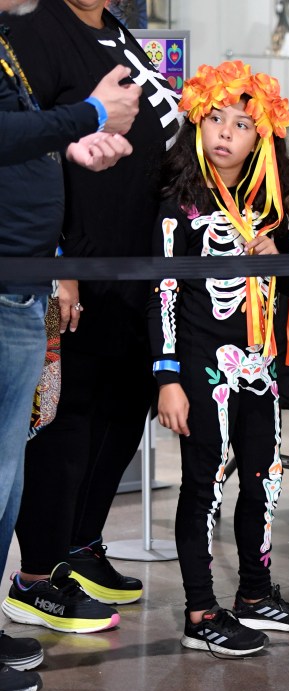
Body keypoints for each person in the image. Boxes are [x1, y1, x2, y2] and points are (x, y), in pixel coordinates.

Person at [1, 0, 183, 634]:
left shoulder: (114, 29)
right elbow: (31, 143)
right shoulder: (35, 29)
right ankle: (41, 570)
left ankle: (80, 548)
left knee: (122, 409)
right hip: (78, 259)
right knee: (68, 419)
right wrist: (62, 262)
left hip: (136, 265)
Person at [148, 60, 289, 657]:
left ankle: (254, 593)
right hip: (202, 364)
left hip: (261, 366)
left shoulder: (271, 206)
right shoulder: (179, 205)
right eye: (215, 119)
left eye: (242, 123)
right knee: (203, 483)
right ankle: (200, 610)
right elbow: (163, 293)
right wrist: (167, 377)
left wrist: (288, 247)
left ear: (263, 134)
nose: (225, 132)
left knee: (265, 478)